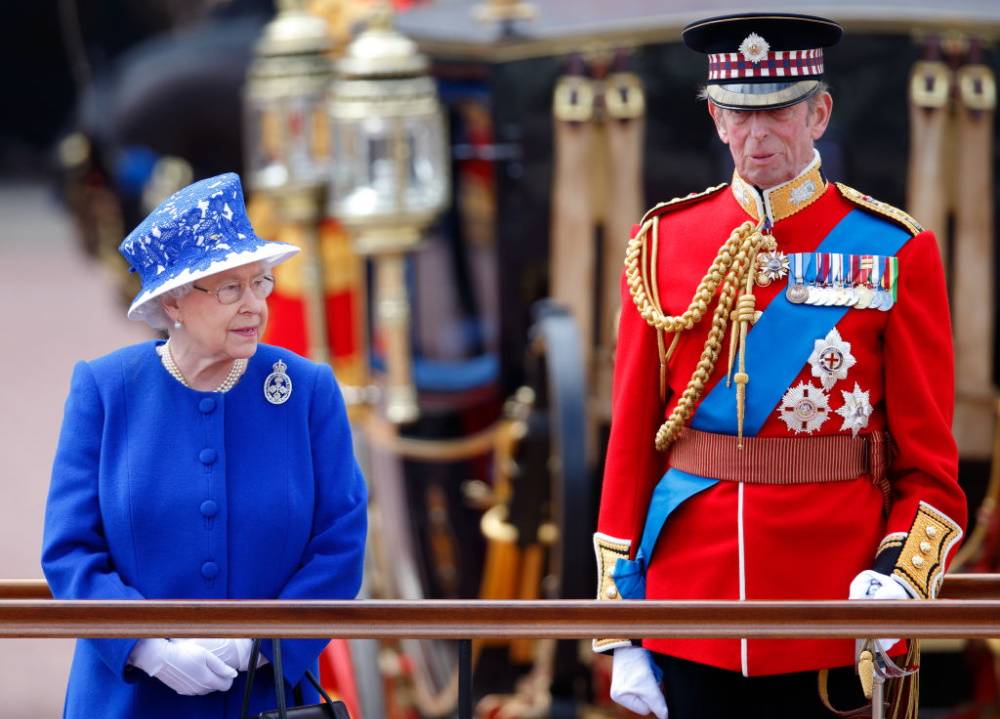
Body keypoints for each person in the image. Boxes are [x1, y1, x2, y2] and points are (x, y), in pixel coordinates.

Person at [592, 13, 967, 719]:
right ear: (715, 118)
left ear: (818, 112)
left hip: (832, 615)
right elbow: (631, 449)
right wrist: (621, 626)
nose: (757, 136)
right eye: (738, 114)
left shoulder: (894, 249)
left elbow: (930, 470)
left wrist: (898, 579)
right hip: (690, 615)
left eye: (779, 113)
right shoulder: (659, 244)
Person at [41, 172, 368, 719]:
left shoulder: (307, 390)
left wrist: (258, 647)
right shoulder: (104, 390)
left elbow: (340, 544)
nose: (254, 306)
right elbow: (70, 550)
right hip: (129, 700)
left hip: (270, 701)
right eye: (228, 289)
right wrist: (145, 649)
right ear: (173, 303)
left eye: (260, 282)